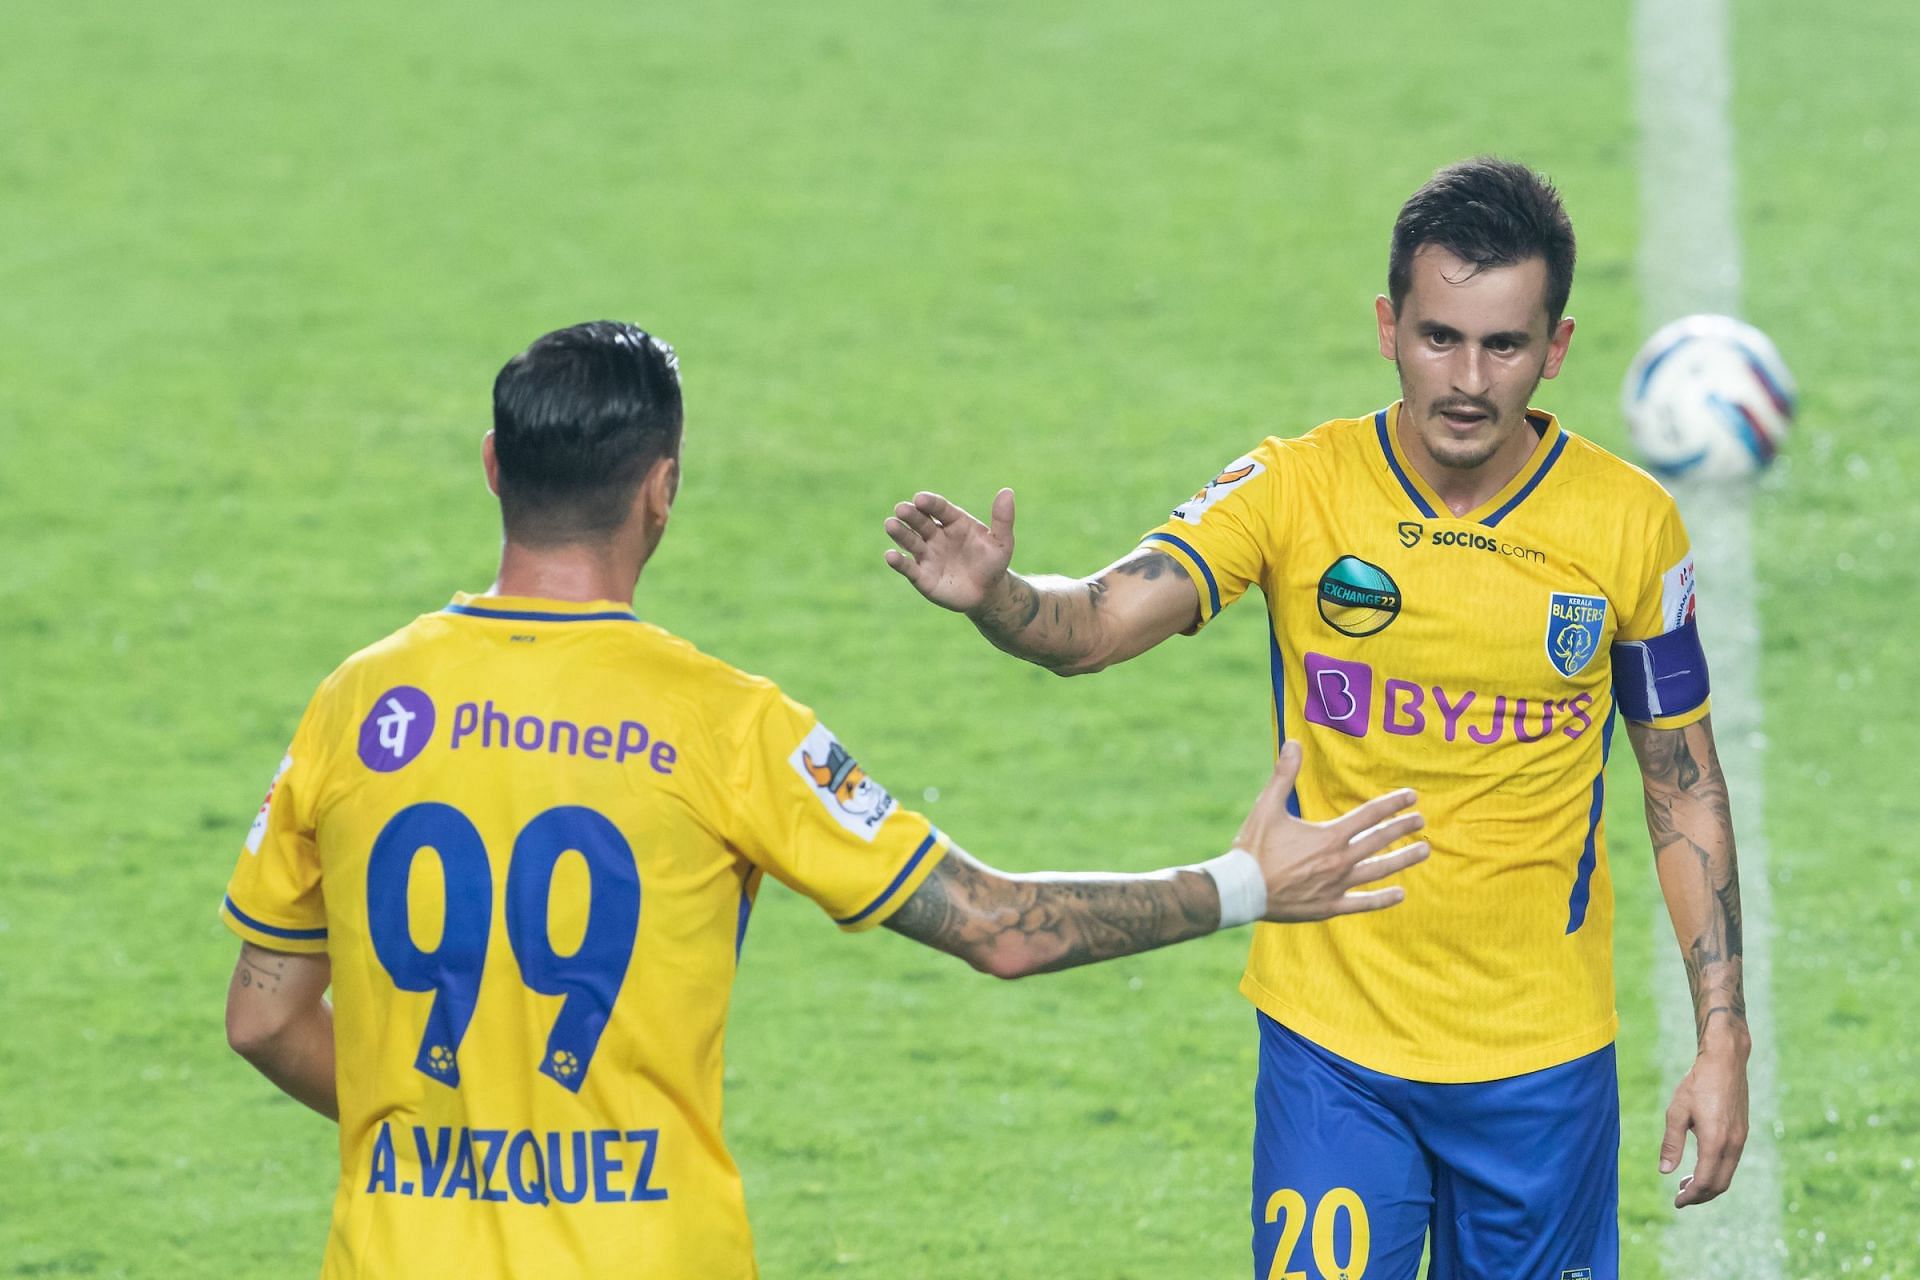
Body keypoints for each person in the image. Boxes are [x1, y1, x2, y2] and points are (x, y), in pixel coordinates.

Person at [219, 320, 1430, 1279]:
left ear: (495, 467)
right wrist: (1248, 884)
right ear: (662, 487)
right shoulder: (725, 722)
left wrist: (456, 1131)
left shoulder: (356, 704)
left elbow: (265, 1019)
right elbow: (996, 925)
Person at [882, 158, 1750, 1278]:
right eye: (1440, 337)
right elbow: (1095, 622)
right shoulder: (1296, 487)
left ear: (1558, 347)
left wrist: (1720, 1034)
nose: (1470, 380)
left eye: (1504, 345)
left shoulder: (1632, 527)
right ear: (1389, 326)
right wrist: (999, 596)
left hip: (1542, 1066)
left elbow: (1683, 783)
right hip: (1331, 1052)